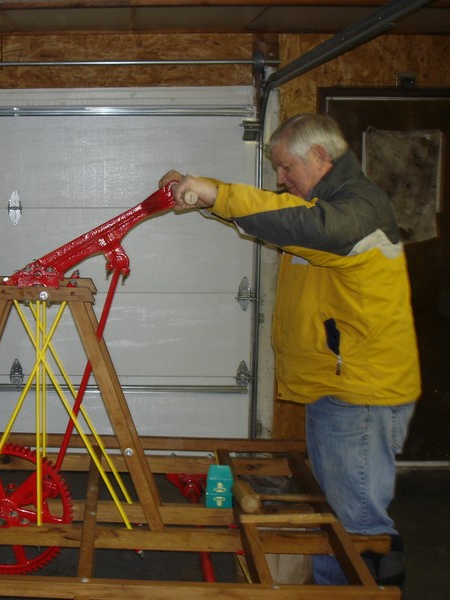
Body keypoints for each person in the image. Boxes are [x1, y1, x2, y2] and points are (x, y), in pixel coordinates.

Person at [159, 113, 420, 586]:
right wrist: (202, 194)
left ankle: (365, 591)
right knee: (334, 515)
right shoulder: (323, 204)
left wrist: (215, 192)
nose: (280, 179)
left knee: (357, 526)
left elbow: (300, 223)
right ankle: (331, 590)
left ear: (320, 157)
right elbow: (275, 216)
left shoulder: (354, 210)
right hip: (341, 387)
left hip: (360, 393)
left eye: (285, 167)